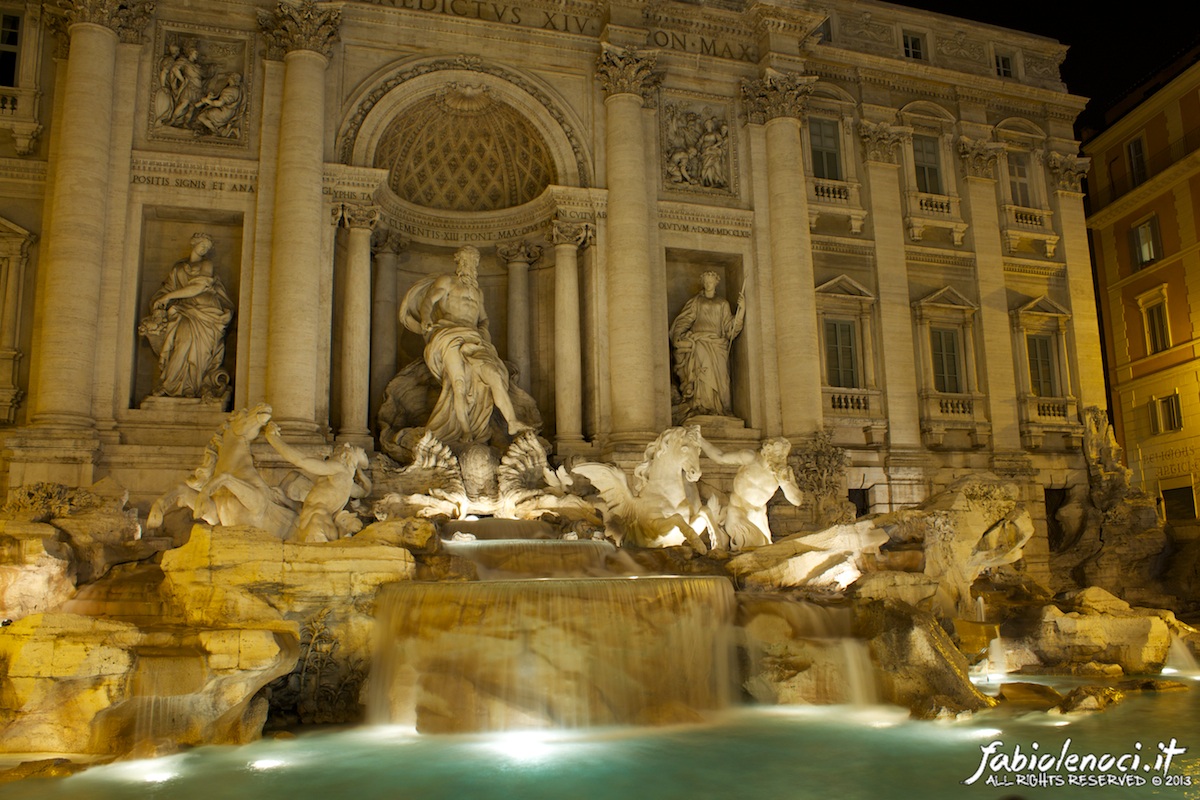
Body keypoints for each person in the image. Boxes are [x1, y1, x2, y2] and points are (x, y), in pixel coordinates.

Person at [400, 245, 532, 447]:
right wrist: (426, 318)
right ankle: (465, 430)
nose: (470, 265)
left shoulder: (478, 292)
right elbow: (428, 301)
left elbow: (484, 319)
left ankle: (512, 422)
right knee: (458, 385)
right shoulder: (446, 281)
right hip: (449, 335)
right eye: (466, 260)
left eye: (474, 261)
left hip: (475, 339)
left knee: (494, 375)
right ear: (459, 262)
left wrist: (484, 333)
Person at [140, 233, 234, 401]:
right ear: (194, 243)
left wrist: (168, 297)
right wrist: (160, 301)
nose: (204, 249)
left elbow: (199, 287)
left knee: (201, 352)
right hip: (185, 311)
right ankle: (169, 385)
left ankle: (192, 387)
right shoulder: (178, 268)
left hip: (207, 313)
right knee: (182, 343)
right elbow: (167, 289)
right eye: (202, 245)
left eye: (207, 247)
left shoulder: (207, 264)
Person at [264, 423, 371, 542]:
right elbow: (365, 492)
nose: (346, 445)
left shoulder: (339, 470)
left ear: (345, 455)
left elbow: (302, 461)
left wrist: (273, 439)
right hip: (315, 523)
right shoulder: (347, 482)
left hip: (317, 524)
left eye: (351, 447)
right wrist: (361, 474)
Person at [701, 436, 803, 550]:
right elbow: (720, 457)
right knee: (754, 544)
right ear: (767, 451)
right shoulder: (750, 458)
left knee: (767, 549)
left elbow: (797, 501)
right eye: (778, 453)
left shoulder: (783, 472)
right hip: (738, 511)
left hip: (758, 515)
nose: (780, 458)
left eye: (783, 455)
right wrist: (700, 440)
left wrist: (785, 484)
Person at [670, 271, 745, 420]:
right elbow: (685, 320)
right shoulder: (696, 301)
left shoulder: (723, 303)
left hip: (718, 345)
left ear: (716, 283)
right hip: (700, 342)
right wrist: (678, 335)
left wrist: (741, 310)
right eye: (705, 282)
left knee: (722, 378)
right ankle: (702, 406)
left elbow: (730, 328)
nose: (708, 284)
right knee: (703, 373)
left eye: (710, 282)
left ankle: (720, 408)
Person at [193, 73, 244, 137]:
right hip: (230, 112)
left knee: (201, 116)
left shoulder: (229, 90)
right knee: (207, 112)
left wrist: (207, 100)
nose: (228, 78)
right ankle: (229, 130)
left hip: (223, 113)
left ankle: (215, 132)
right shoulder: (237, 90)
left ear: (232, 79)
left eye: (230, 77)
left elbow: (219, 103)